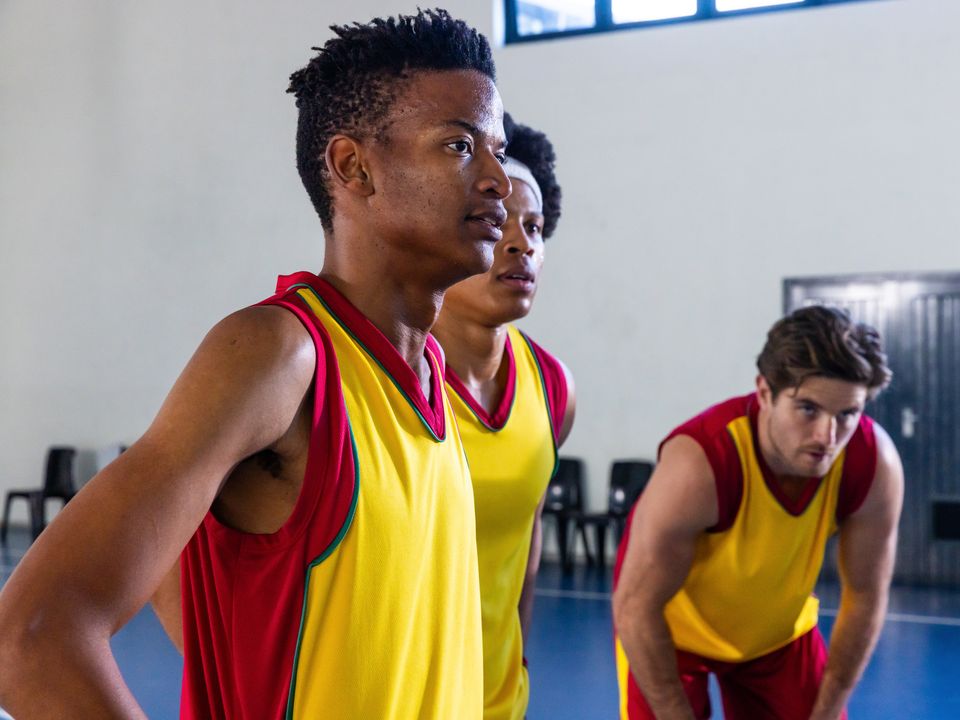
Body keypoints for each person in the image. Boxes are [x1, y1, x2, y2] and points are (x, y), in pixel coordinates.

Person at [0, 10, 509, 718]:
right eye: (460, 146)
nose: (498, 180)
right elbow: (31, 636)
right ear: (352, 167)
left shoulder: (432, 379)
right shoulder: (281, 355)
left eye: (497, 150)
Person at [612, 306, 904, 720]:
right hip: (669, 633)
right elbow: (636, 609)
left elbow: (865, 598)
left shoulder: (872, 465)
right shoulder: (700, 465)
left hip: (776, 636)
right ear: (765, 393)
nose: (828, 436)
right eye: (808, 409)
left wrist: (825, 713)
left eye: (847, 414)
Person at [432, 114, 575, 720]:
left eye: (535, 228)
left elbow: (526, 533)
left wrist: (516, 666)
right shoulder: (358, 375)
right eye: (496, 222)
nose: (521, 244)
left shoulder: (551, 387)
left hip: (497, 703)